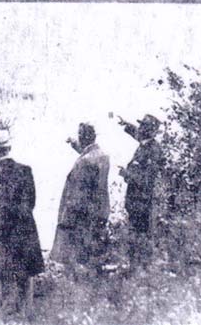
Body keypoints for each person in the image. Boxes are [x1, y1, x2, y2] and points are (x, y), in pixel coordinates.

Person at [0, 130, 44, 319]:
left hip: (1, 232)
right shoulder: (26, 171)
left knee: (5, 272)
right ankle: (27, 312)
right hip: (25, 229)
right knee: (26, 272)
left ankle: (8, 313)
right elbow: (31, 202)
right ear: (9, 147)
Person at [50, 122, 110, 278]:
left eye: (80, 135)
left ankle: (77, 283)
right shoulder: (102, 156)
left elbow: (78, 192)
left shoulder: (84, 162)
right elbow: (87, 153)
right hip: (99, 209)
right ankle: (93, 278)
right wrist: (74, 144)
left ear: (83, 137)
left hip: (81, 213)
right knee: (93, 250)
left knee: (75, 252)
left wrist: (67, 216)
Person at [118, 114, 164, 268]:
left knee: (140, 238)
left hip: (142, 204)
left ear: (149, 131)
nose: (140, 129)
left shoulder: (153, 150)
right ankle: (136, 268)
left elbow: (146, 180)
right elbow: (136, 134)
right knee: (135, 238)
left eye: (143, 126)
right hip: (136, 203)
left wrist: (127, 175)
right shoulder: (146, 144)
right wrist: (126, 124)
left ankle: (139, 271)